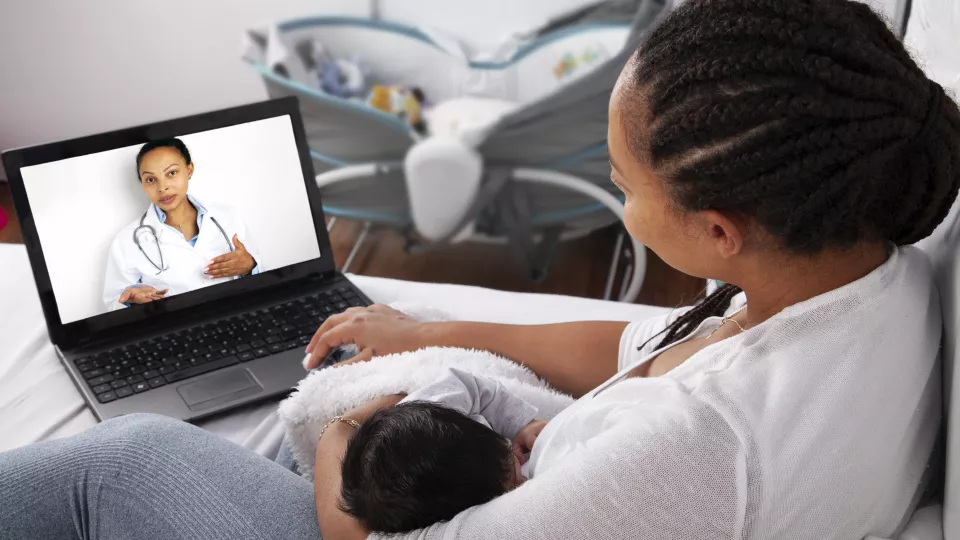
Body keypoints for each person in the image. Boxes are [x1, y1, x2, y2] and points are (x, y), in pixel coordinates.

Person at [1, 0, 958, 538]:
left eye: (625, 184)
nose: (617, 198)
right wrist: (428, 334)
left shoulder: (693, 452)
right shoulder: (876, 270)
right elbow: (640, 341)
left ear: (719, 230)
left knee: (125, 460)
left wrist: (342, 442)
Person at [337, 368, 545, 533]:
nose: (516, 458)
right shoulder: (431, 513)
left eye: (506, 452)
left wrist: (521, 424)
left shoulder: (439, 404)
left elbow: (475, 387)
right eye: (512, 483)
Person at [101, 138, 263, 310]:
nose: (162, 188)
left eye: (171, 173)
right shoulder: (127, 241)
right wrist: (130, 301)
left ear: (189, 170)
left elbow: (264, 281)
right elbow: (113, 304)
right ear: (142, 183)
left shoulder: (227, 216)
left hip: (235, 315)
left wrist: (250, 266)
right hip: (176, 328)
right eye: (150, 179)